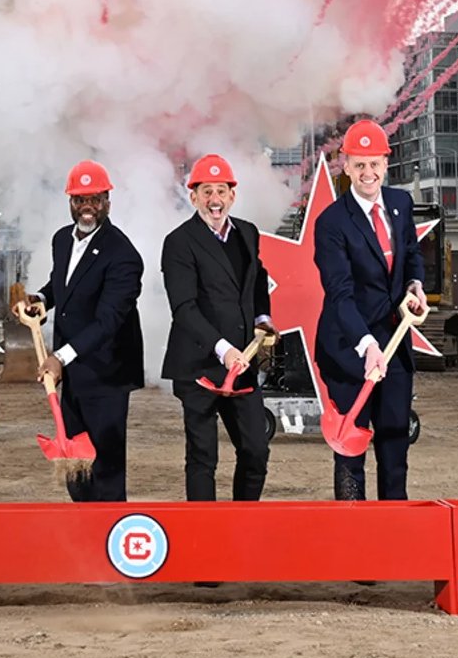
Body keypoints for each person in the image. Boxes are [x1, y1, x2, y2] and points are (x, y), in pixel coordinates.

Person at [312, 121, 427, 500]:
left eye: (374, 164)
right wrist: (365, 345)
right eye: (359, 165)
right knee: (351, 446)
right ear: (346, 166)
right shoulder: (331, 222)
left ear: (385, 164)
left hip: (394, 345)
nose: (368, 173)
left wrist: (416, 286)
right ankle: (350, 529)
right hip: (349, 350)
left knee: (395, 442)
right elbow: (340, 292)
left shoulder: (400, 203)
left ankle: (395, 527)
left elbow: (411, 253)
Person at [26, 160, 145, 502]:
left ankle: (108, 538)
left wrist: (59, 358)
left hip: (106, 373)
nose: (87, 206)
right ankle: (83, 532)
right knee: (76, 469)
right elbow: (62, 285)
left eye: (95, 198)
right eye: (80, 199)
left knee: (104, 468)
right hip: (74, 371)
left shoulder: (123, 255)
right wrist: (41, 300)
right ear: (70, 202)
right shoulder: (62, 240)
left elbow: (108, 320)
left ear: (108, 200)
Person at [160, 154, 273, 502]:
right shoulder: (178, 242)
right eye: (206, 191)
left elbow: (257, 282)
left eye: (221, 191)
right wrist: (223, 349)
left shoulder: (248, 233)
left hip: (242, 366)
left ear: (232, 195)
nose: (214, 200)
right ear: (193, 197)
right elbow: (184, 308)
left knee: (256, 450)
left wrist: (262, 319)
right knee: (202, 457)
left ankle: (243, 522)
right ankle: (204, 533)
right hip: (199, 367)